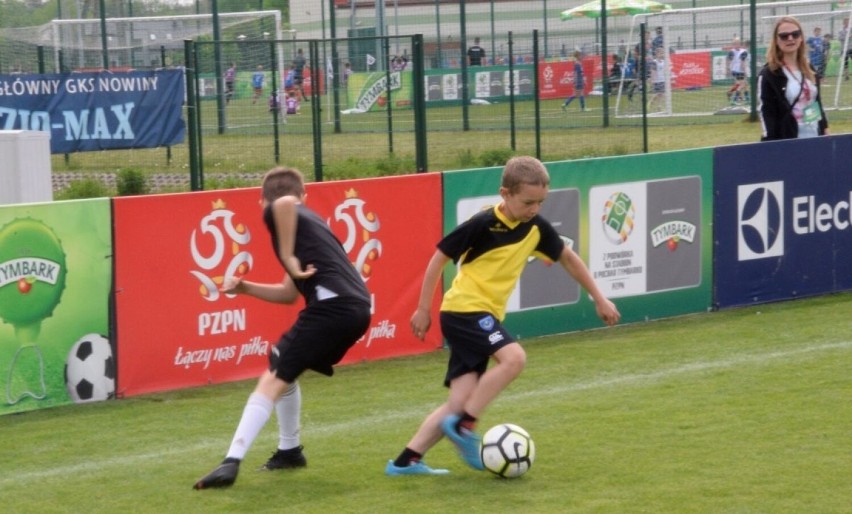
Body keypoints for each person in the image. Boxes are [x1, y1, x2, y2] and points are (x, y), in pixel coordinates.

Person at [385, 156, 620, 476]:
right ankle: (466, 427)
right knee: (514, 359)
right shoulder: (482, 224)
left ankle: (406, 461)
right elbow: (439, 258)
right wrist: (423, 308)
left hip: (477, 315)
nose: (534, 209)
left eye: (540, 202)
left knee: (457, 403)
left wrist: (599, 297)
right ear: (504, 194)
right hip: (465, 310)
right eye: (527, 202)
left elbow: (568, 257)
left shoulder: (536, 228)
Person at [193, 167, 372, 489]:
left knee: (274, 374)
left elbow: (283, 203)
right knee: (283, 364)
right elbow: (289, 293)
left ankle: (230, 462)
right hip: (356, 310)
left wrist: (288, 256)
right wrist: (246, 288)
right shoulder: (312, 225)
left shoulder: (283, 212)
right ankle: (289, 451)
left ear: (260, 200)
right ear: (308, 195)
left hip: (334, 307)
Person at [758, 16, 830, 141]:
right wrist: (771, 146)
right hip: (787, 140)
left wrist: (825, 130)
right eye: (784, 36)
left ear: (801, 38)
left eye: (795, 34)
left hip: (815, 136)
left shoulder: (809, 68)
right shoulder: (769, 74)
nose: (790, 38)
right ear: (776, 40)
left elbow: (817, 102)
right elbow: (767, 114)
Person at [726, 37, 750, 105]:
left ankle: (747, 99)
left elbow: (729, 60)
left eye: (738, 43)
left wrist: (729, 68)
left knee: (744, 84)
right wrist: (745, 71)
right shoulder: (743, 52)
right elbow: (742, 62)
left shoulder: (734, 51)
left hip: (734, 70)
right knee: (742, 84)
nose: (737, 45)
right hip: (739, 71)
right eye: (735, 43)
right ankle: (734, 99)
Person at [647, 47, 667, 112]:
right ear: (657, 54)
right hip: (657, 80)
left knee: (662, 94)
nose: (662, 54)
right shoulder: (654, 62)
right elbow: (653, 71)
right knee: (657, 94)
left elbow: (665, 71)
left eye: (663, 53)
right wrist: (652, 80)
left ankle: (659, 106)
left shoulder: (664, 61)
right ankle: (650, 102)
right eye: (661, 53)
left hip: (663, 80)